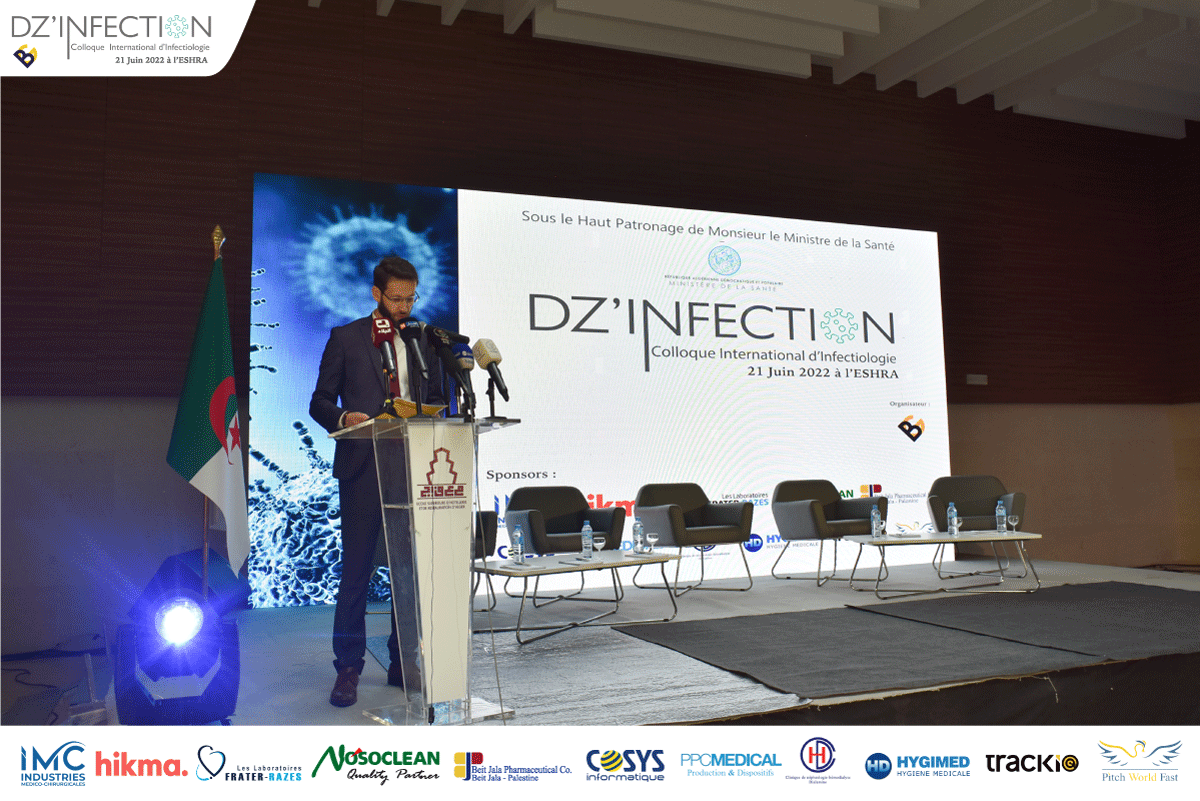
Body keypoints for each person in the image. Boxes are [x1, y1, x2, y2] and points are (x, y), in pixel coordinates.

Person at [309, 255, 446, 707]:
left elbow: (437, 397)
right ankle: (348, 669)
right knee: (357, 573)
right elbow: (319, 401)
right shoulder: (346, 338)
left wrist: (435, 413)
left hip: (414, 467)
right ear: (376, 293)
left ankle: (404, 661)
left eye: (411, 298)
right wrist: (344, 416)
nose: (404, 306)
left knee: (410, 572)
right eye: (396, 298)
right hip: (363, 467)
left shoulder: (425, 339)